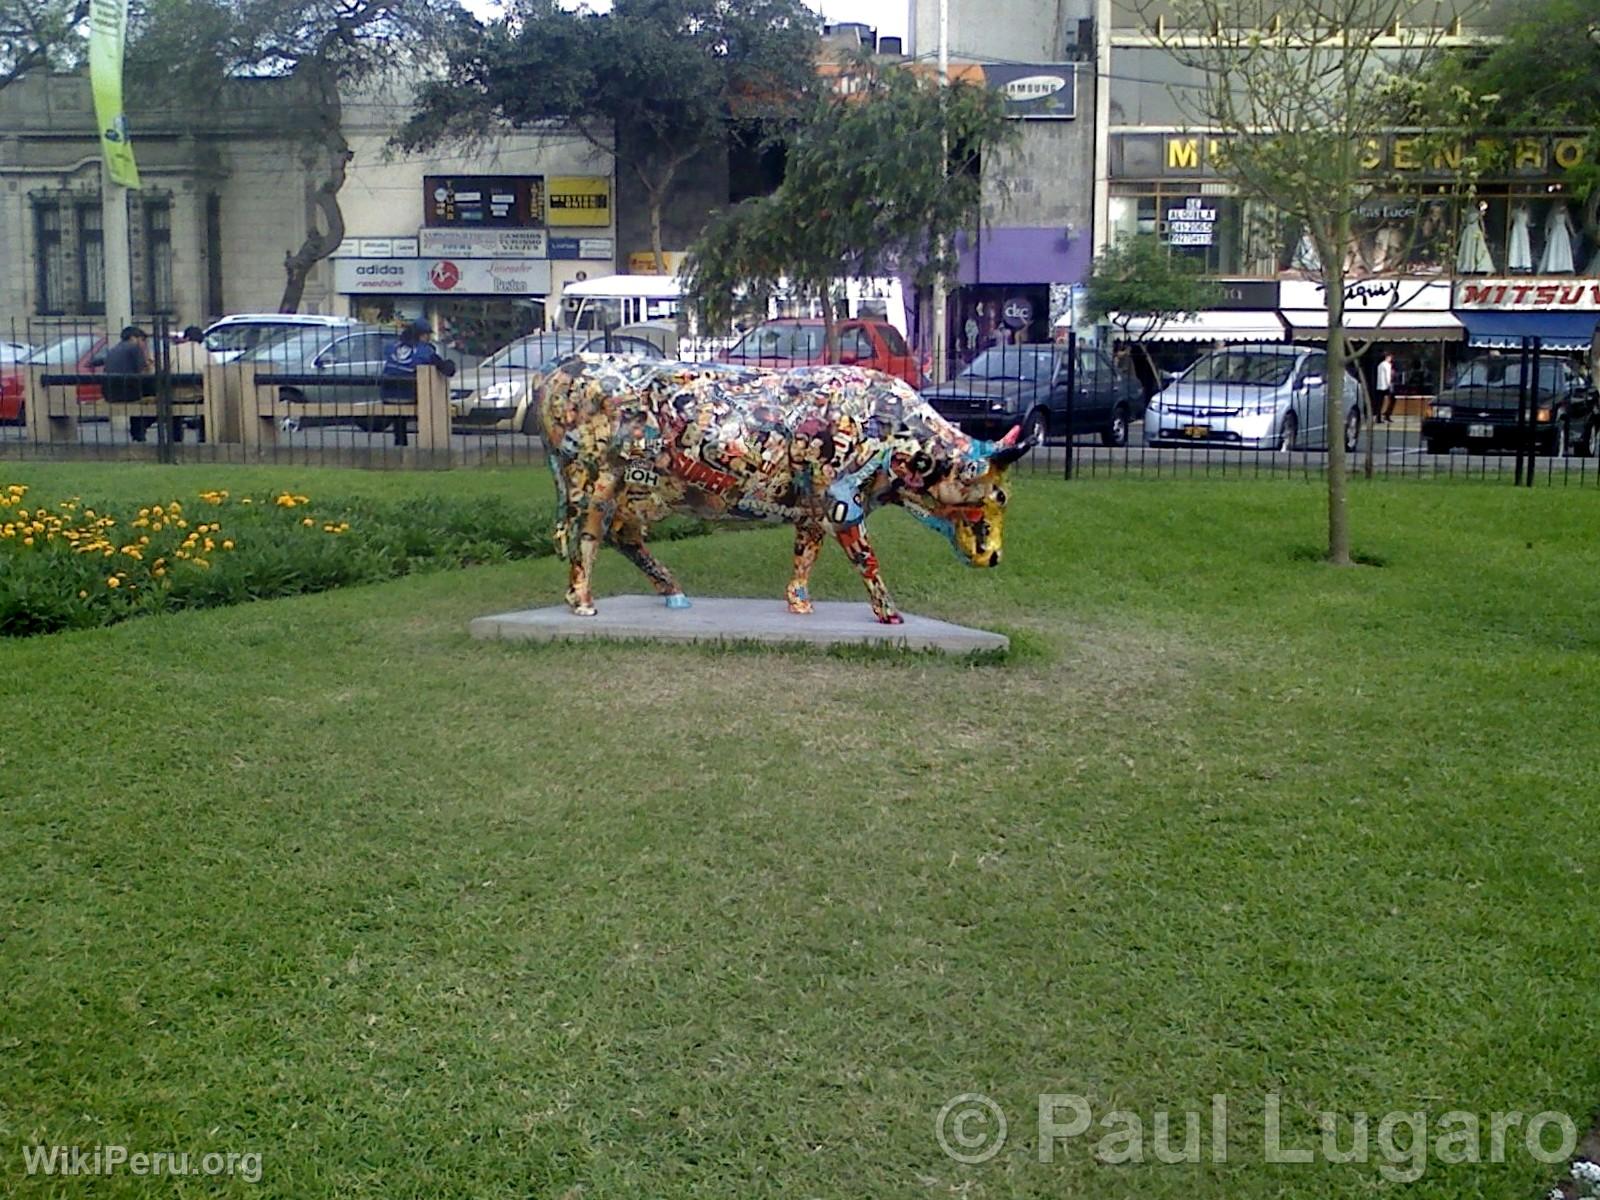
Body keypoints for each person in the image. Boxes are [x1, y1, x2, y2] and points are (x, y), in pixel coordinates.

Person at [380, 318, 455, 447]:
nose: (429, 338)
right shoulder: (424, 350)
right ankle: (429, 444)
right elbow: (447, 370)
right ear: (422, 335)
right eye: (428, 335)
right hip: (410, 396)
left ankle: (400, 443)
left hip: (387, 396)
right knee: (428, 401)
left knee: (399, 412)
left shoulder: (393, 347)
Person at [103, 326, 158, 442]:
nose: (144, 344)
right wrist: (148, 358)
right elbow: (144, 372)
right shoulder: (134, 348)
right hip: (127, 392)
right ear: (134, 338)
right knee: (160, 396)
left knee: (142, 393)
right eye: (143, 340)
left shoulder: (113, 349)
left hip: (110, 393)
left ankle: (138, 431)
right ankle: (139, 429)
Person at [1375, 351, 1396, 424]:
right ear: (1388, 357)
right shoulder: (1387, 365)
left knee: (1380, 402)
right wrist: (1389, 384)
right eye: (1390, 357)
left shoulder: (1380, 365)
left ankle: (1378, 418)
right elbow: (1387, 375)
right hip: (1386, 386)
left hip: (1380, 386)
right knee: (1392, 400)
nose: (1391, 359)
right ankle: (1387, 415)